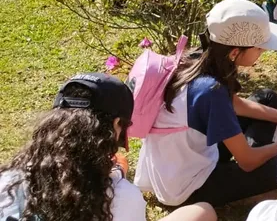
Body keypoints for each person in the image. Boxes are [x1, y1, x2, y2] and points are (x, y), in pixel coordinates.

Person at [135, 0, 277, 207]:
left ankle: (251, 156)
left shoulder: (193, 58)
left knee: (268, 98)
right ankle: (252, 170)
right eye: (259, 48)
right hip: (187, 187)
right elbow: (247, 162)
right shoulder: (212, 91)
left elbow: (233, 104)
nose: (263, 52)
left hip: (177, 163)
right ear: (234, 52)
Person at [0, 73, 217, 221]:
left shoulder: (8, 180)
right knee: (203, 212)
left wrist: (114, 173)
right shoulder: (119, 198)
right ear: (115, 125)